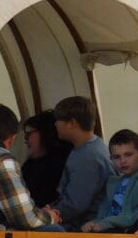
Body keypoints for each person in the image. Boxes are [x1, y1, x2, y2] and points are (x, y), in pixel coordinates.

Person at [0, 105, 60, 231]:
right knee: (55, 230)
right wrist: (50, 216)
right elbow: (25, 218)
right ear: (12, 138)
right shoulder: (1, 159)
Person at [45, 96, 113, 230]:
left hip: (83, 227)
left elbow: (75, 204)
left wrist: (48, 215)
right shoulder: (93, 147)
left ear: (72, 123)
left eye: (58, 120)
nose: (55, 124)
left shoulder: (88, 157)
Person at [81, 129, 138, 233]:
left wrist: (105, 223)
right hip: (107, 230)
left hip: (129, 232)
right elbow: (103, 214)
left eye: (128, 155)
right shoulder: (113, 182)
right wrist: (94, 223)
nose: (123, 161)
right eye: (116, 157)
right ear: (111, 159)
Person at [21, 110, 72, 207]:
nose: (25, 140)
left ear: (45, 133)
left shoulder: (61, 165)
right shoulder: (30, 165)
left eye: (28, 134)